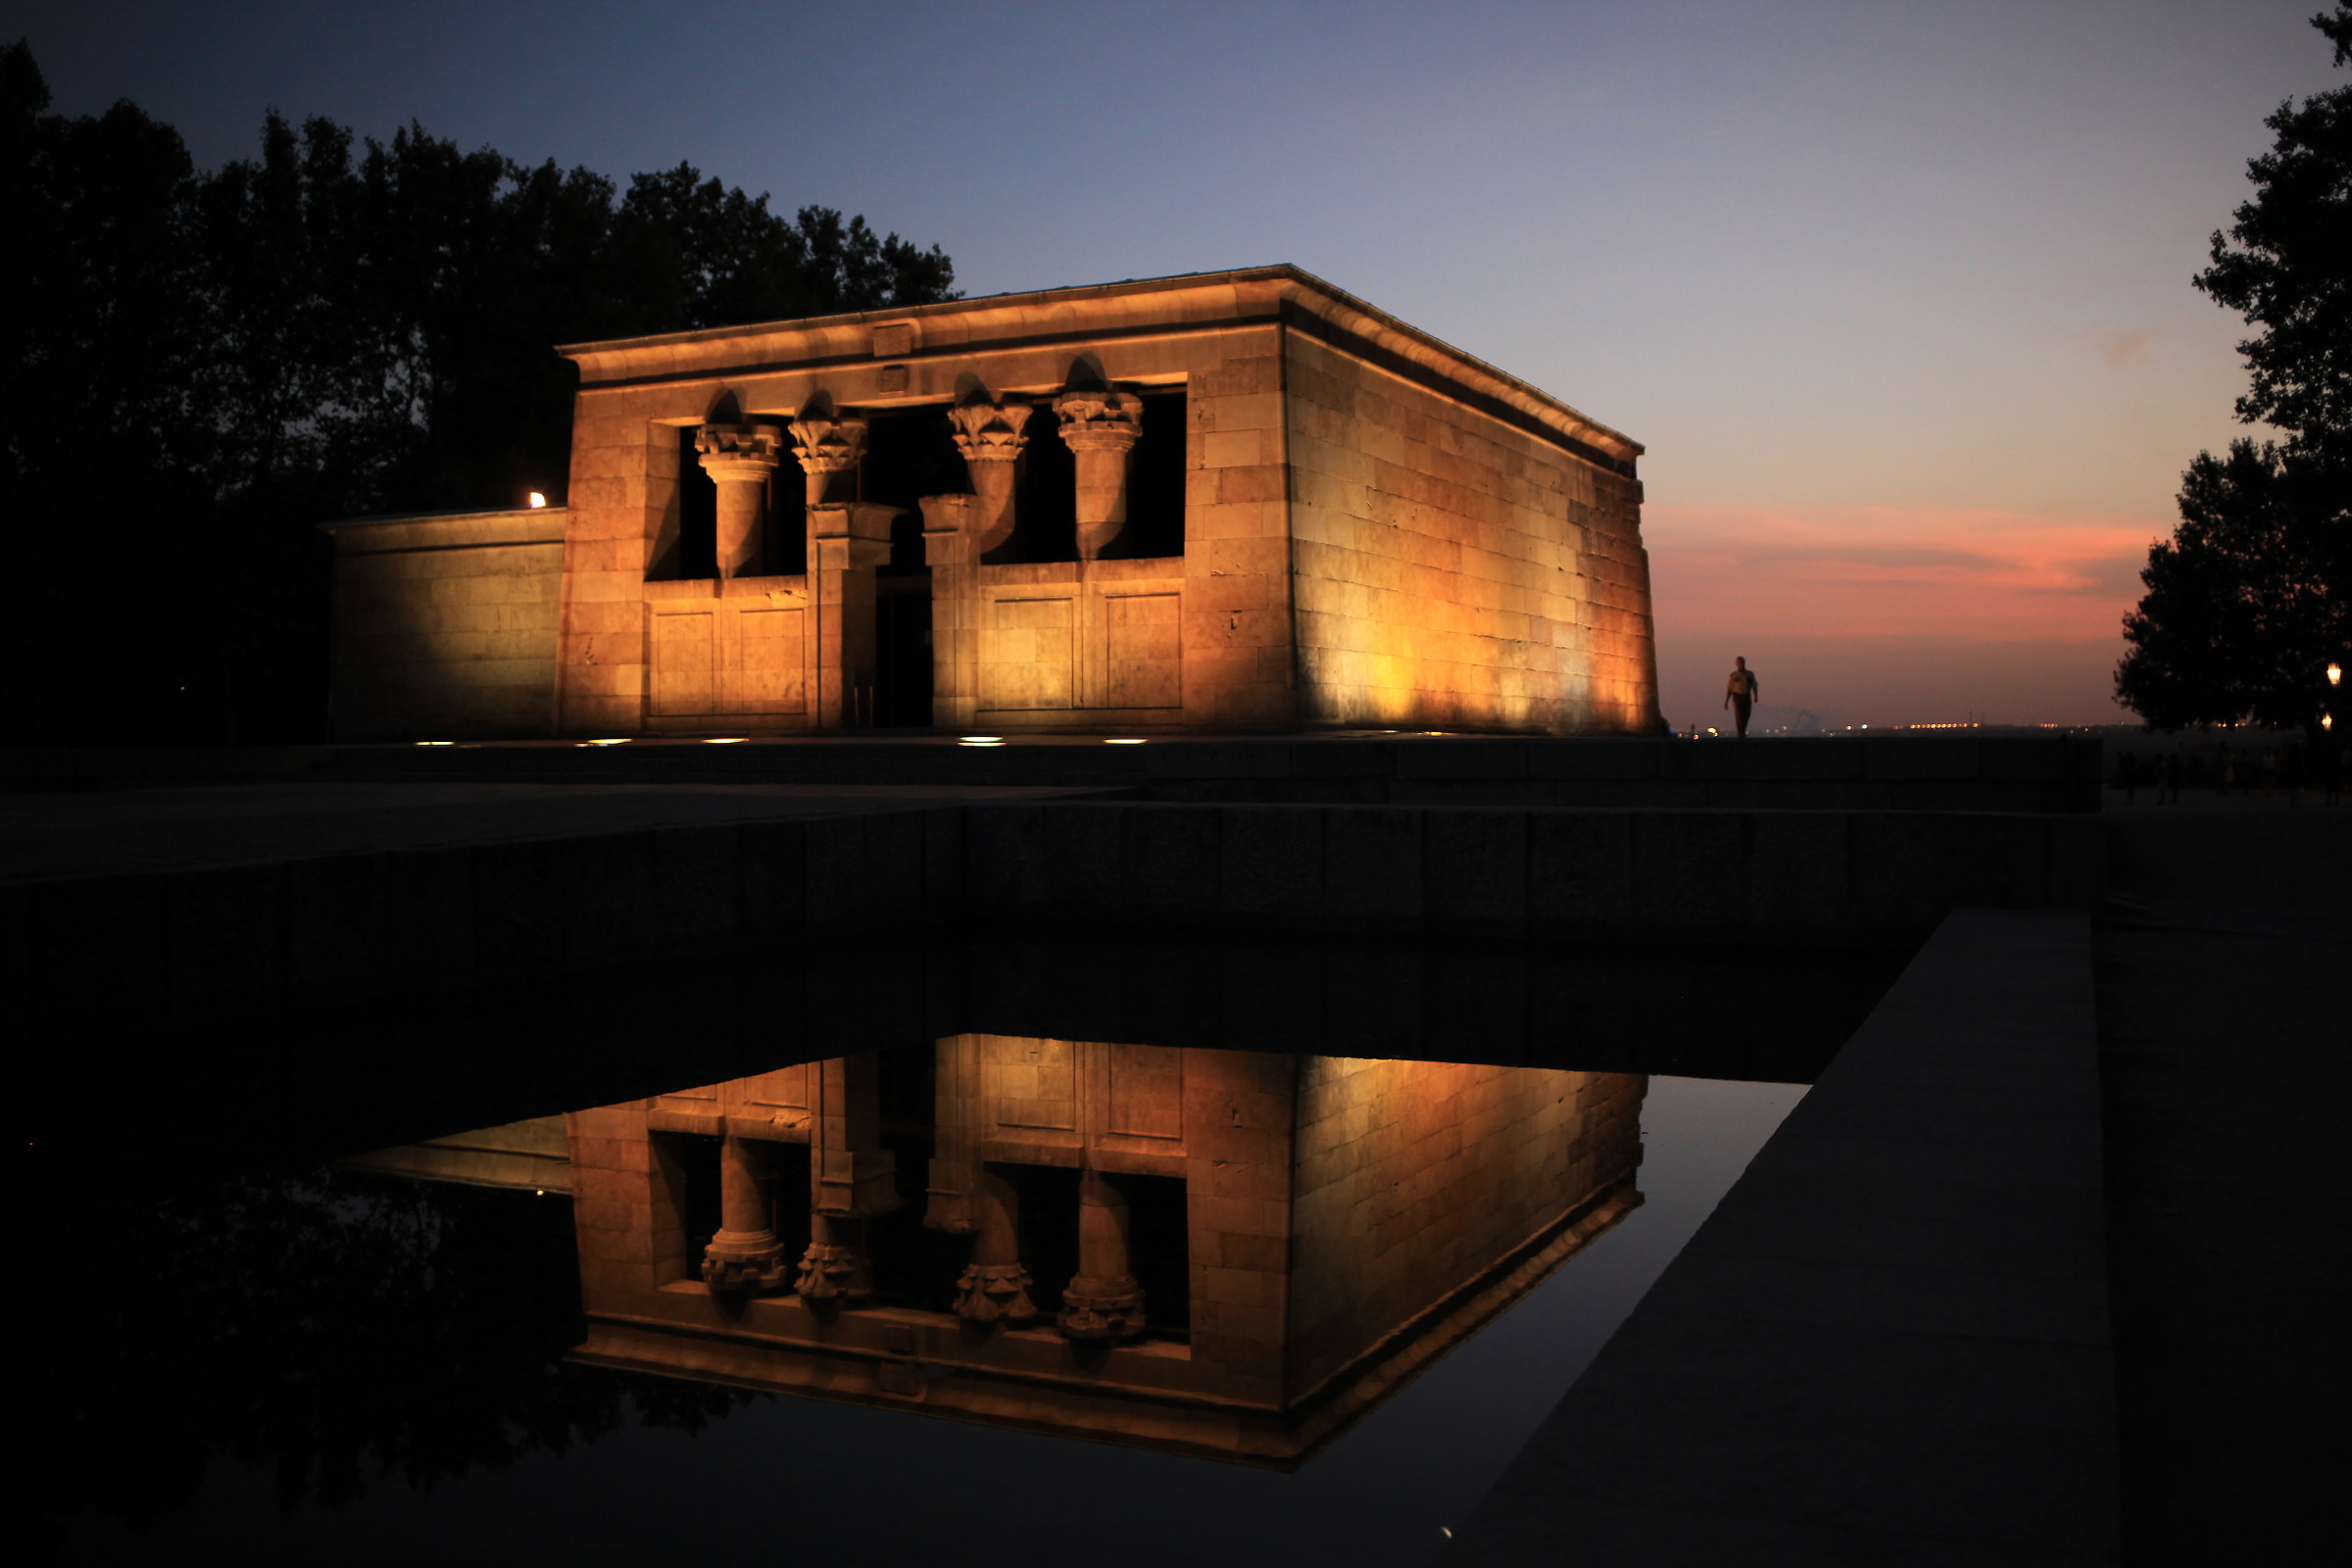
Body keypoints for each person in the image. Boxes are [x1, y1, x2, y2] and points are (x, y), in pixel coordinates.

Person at [1723, 657, 1759, 738]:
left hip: (1746, 696)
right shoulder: (1734, 675)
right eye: (1739, 663)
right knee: (1739, 715)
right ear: (1737, 664)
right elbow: (1730, 689)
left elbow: (1754, 686)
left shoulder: (1750, 674)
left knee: (1746, 715)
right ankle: (1741, 733)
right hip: (1737, 697)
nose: (1741, 665)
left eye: (1742, 663)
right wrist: (1726, 701)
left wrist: (1756, 696)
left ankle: (1742, 731)